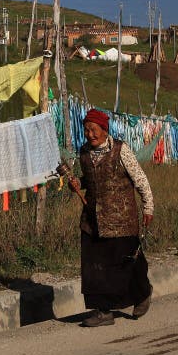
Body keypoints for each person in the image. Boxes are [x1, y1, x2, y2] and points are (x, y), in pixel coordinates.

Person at [67, 108, 154, 327]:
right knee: (94, 267)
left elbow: (140, 180)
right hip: (92, 221)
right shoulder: (84, 152)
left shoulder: (121, 150)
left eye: (94, 130)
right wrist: (77, 183)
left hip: (121, 221)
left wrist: (148, 207)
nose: (90, 135)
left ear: (104, 130)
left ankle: (142, 293)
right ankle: (103, 312)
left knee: (127, 264)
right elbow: (89, 179)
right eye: (86, 130)